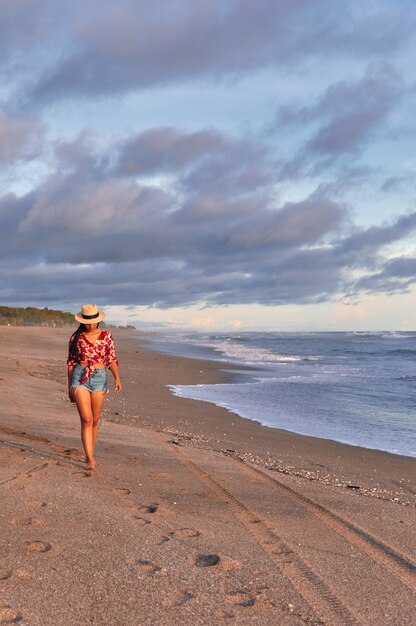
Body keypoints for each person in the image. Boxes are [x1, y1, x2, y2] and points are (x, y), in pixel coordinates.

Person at [67, 304, 121, 469]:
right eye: (87, 322)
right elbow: (71, 363)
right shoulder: (76, 337)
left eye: (93, 322)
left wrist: (117, 378)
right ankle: (90, 458)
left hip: (99, 377)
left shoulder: (106, 336)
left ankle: (90, 452)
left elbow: (111, 358)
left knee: (95, 420)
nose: (90, 325)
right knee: (86, 420)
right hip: (80, 377)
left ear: (98, 321)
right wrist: (69, 386)